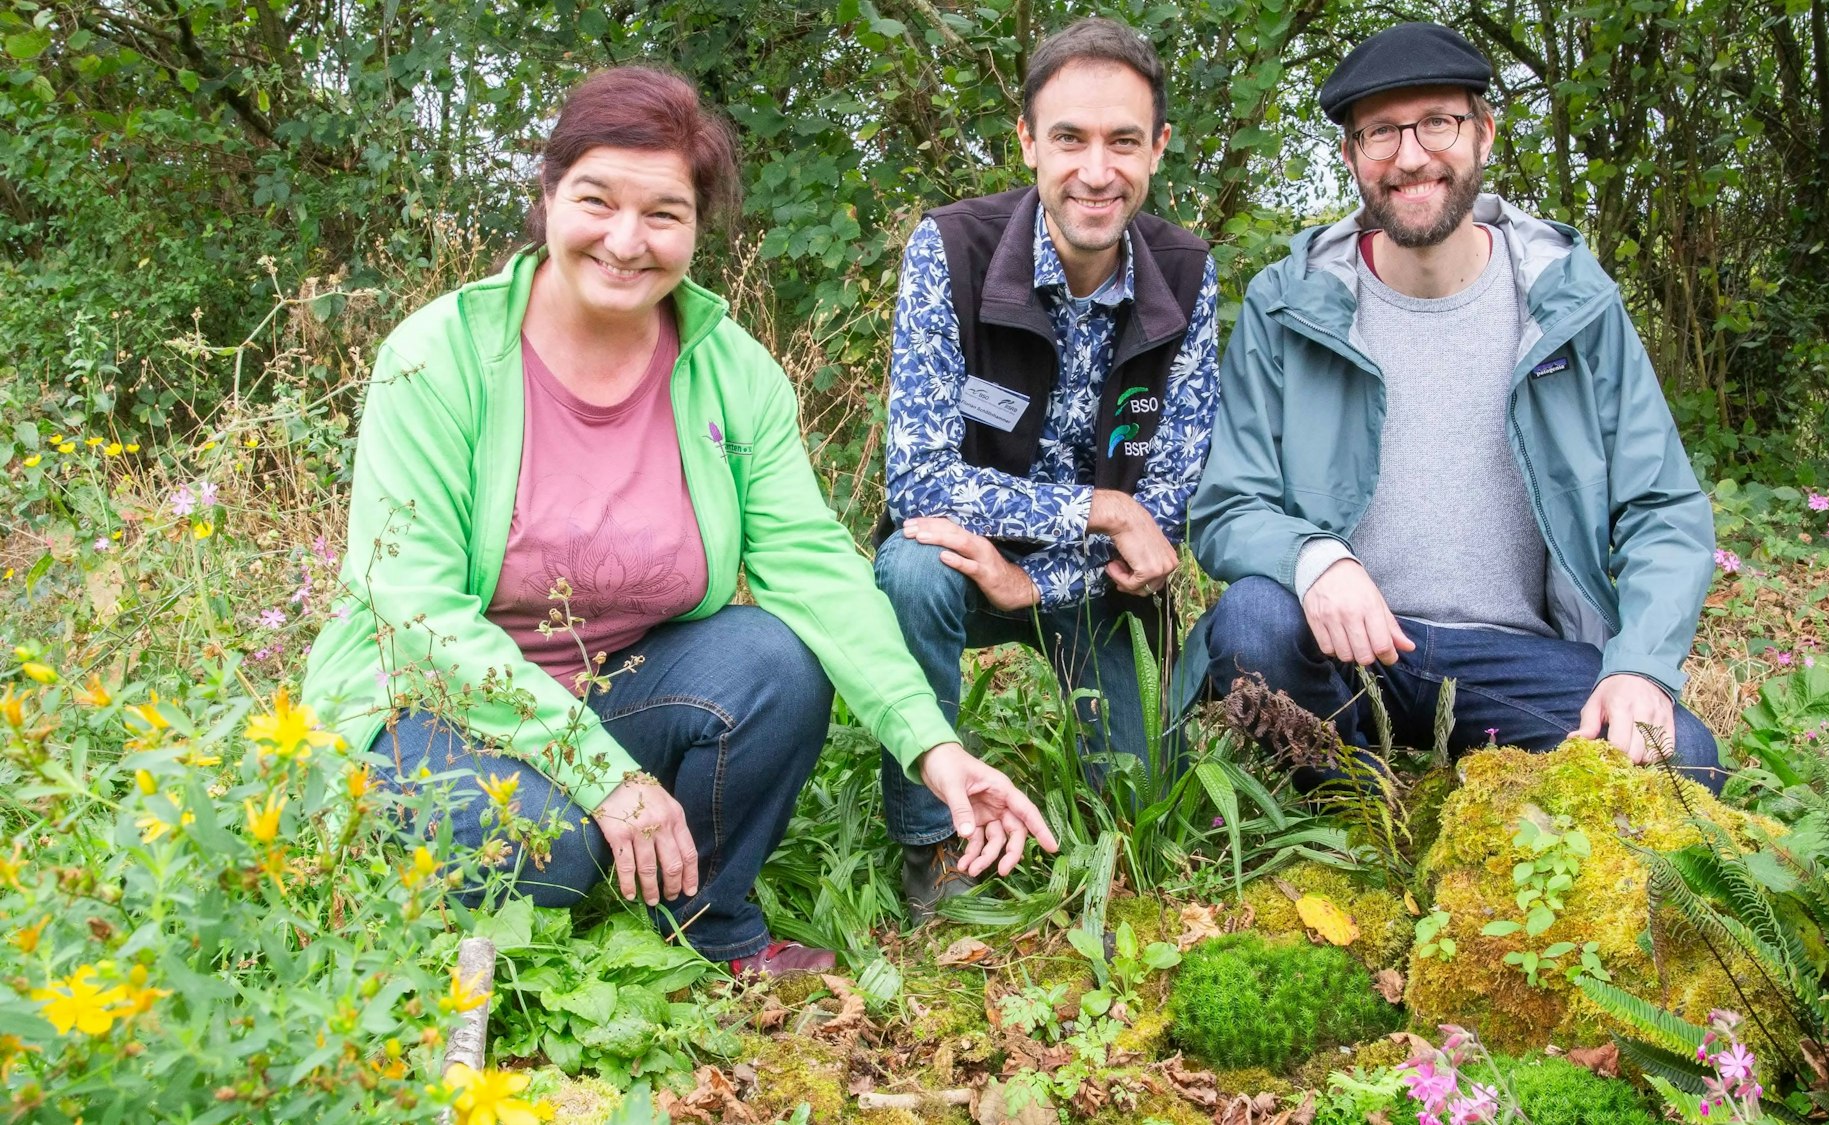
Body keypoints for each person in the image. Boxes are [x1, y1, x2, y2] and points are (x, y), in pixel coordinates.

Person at [303, 66, 1056, 978]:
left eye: (663, 213)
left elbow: (813, 565)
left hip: (617, 685)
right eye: (597, 200)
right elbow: (418, 618)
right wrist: (605, 775)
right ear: (548, 197)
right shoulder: (437, 357)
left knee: (774, 658)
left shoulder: (732, 371)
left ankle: (709, 921)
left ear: (698, 227)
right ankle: (556, 866)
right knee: (554, 839)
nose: (627, 240)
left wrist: (931, 745)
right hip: (430, 706)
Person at [1182, 23, 1725, 792]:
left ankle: (1500, 804)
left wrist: (1639, 665)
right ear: (1351, 155)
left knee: (1689, 766)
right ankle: (1349, 799)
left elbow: (1663, 508)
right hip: (1346, 651)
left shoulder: (1570, 301)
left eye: (1437, 122)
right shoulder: (1287, 304)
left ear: (1484, 132)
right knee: (1252, 622)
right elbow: (1227, 505)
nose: (1410, 156)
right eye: (1380, 132)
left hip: (1516, 658)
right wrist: (1314, 558)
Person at [873, 17, 1221, 920]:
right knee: (910, 566)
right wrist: (1098, 508)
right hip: (964, 567)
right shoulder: (949, 250)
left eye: (1123, 142)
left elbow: (1170, 501)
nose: (1096, 171)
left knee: (1145, 801)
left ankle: (1106, 821)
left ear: (1158, 150)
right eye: (1069, 137)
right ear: (1027, 139)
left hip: (1096, 590)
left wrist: (1042, 580)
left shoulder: (1187, 276)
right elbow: (915, 478)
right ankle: (929, 839)